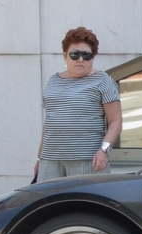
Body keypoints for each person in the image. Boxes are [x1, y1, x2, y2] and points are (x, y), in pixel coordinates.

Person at [34, 27, 122, 182]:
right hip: (51, 160)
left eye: (86, 55)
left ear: (93, 57)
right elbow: (49, 121)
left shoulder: (103, 81)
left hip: (88, 159)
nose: (80, 60)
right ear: (65, 56)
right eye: (75, 54)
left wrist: (104, 151)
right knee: (49, 205)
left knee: (85, 204)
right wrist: (40, 158)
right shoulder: (53, 81)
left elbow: (116, 121)